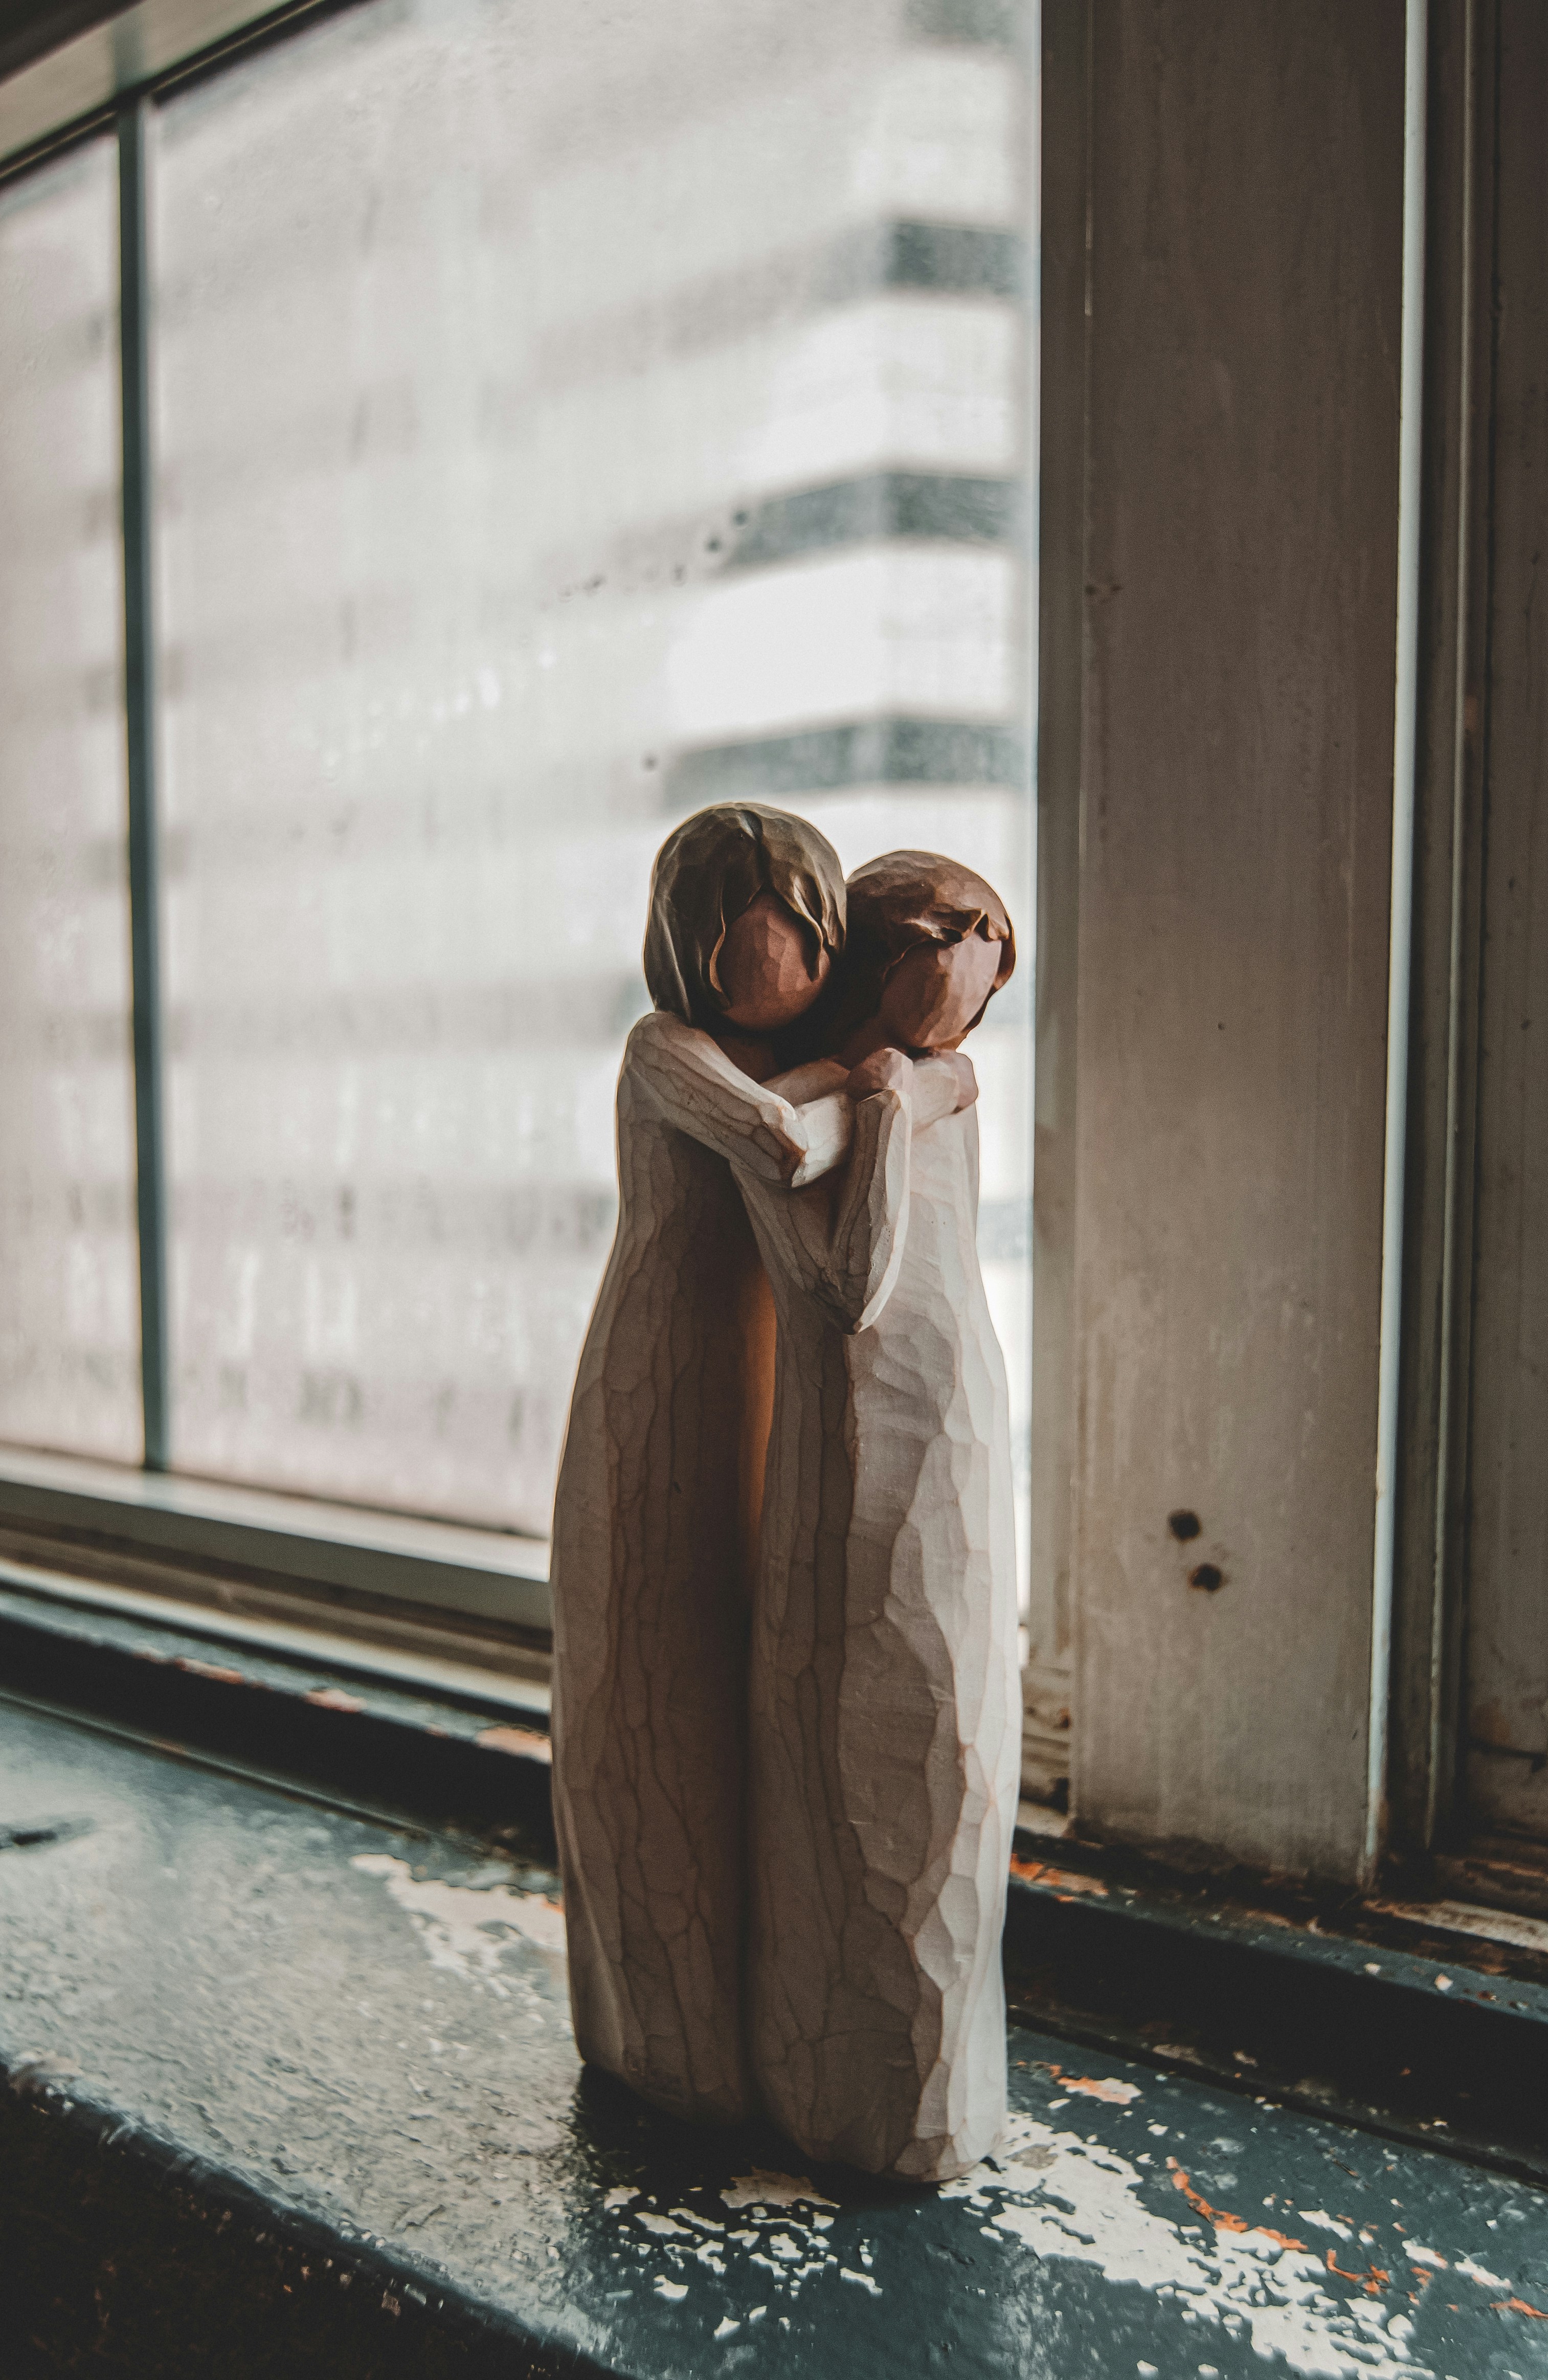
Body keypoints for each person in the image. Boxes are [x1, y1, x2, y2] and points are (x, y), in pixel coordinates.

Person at [550, 802, 853, 2124]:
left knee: (768, 1684)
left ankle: (767, 2028)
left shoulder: (818, 1053)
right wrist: (885, 1073)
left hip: (771, 1377)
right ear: (688, 938)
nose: (769, 955)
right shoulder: (664, 1050)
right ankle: (659, 2037)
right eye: (743, 927)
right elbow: (779, 1144)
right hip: (662, 1382)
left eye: (794, 927)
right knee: (647, 1685)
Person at [737, 850, 1019, 2181]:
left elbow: (943, 1080)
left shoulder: (933, 1081)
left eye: (988, 949)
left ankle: (933, 2103)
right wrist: (876, 1117)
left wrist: (900, 1102)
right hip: (843, 1439)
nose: (968, 972)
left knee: (955, 1751)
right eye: (945, 941)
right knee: (842, 1747)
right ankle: (844, 2099)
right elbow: (847, 1287)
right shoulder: (811, 1107)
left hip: (955, 1422)